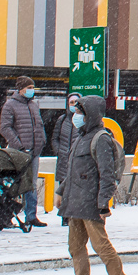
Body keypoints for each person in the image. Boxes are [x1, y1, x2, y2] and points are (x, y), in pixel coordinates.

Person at [55, 95, 134, 275]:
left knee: (101, 246)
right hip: (75, 203)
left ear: (90, 114)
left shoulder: (101, 139)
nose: (76, 116)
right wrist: (61, 192)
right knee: (75, 247)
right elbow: (72, 171)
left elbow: (106, 175)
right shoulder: (80, 138)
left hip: (90, 204)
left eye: (80, 112)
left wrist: (103, 203)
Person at [0, 76, 48, 227]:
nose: (31, 90)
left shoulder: (34, 105)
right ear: (20, 89)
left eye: (32, 87)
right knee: (13, 185)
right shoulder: (10, 105)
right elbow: (5, 128)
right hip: (19, 153)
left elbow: (39, 125)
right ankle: (4, 217)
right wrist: (19, 146)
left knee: (31, 184)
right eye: (29, 87)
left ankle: (31, 216)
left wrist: (41, 140)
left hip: (34, 151)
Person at [51, 92, 81, 227]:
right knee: (63, 190)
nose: (74, 105)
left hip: (77, 160)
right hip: (63, 160)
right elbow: (55, 138)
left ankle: (74, 215)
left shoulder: (83, 119)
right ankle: (64, 216)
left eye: (76, 102)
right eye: (71, 102)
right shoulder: (62, 120)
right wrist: (59, 151)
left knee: (75, 189)